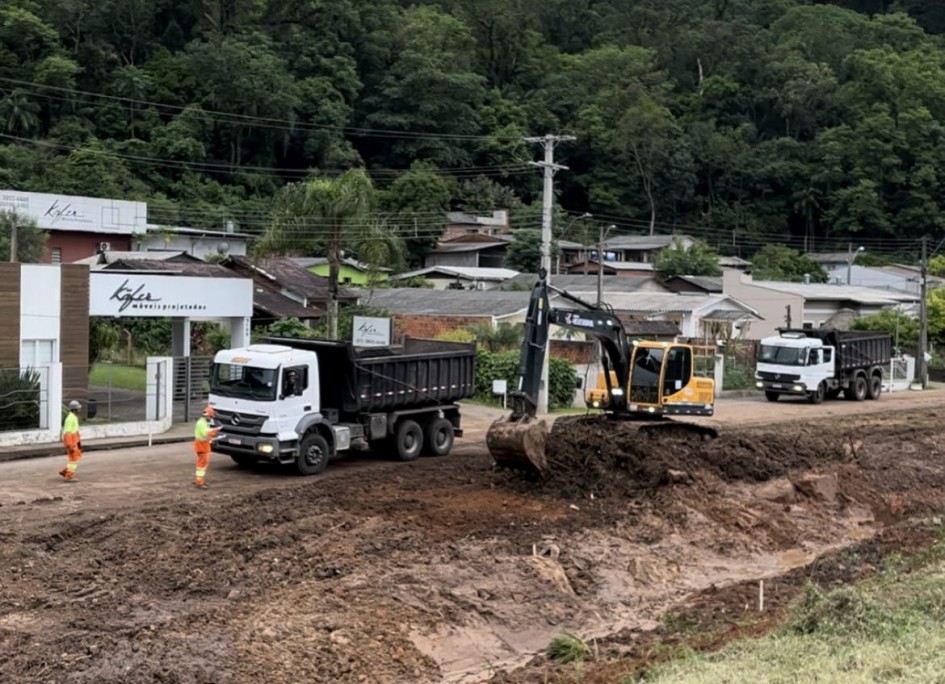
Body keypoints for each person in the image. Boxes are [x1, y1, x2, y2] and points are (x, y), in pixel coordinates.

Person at [193, 406, 220, 489]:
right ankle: (199, 482)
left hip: (202, 445)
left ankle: (198, 480)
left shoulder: (203, 422)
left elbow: (205, 435)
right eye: (211, 417)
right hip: (202, 446)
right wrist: (214, 431)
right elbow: (206, 433)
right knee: (202, 464)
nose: (211, 418)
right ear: (208, 416)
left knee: (201, 464)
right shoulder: (202, 423)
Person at [59, 400, 83, 482]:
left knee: (74, 458)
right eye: (78, 408)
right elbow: (68, 433)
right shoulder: (70, 419)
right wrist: (70, 446)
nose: (80, 410)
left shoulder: (72, 417)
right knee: (73, 460)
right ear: (74, 409)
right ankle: (68, 476)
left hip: (74, 442)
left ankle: (65, 471)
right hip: (72, 443)